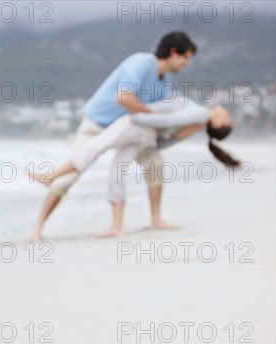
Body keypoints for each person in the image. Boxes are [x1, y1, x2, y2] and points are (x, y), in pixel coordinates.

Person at [28, 32, 198, 240]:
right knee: (68, 178)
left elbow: (154, 117)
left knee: (155, 164)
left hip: (128, 130)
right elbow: (123, 98)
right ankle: (37, 229)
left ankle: (156, 219)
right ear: (173, 52)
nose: (186, 64)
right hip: (98, 124)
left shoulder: (164, 82)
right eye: (185, 58)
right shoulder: (141, 63)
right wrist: (154, 115)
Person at [28, 97, 240, 236]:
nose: (226, 112)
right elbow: (166, 138)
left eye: (227, 119)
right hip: (146, 135)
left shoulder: (201, 114)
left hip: (137, 124)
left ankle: (51, 176)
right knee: (117, 171)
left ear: (218, 123)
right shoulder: (198, 122)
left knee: (95, 146)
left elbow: (169, 119)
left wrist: (135, 116)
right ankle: (117, 226)